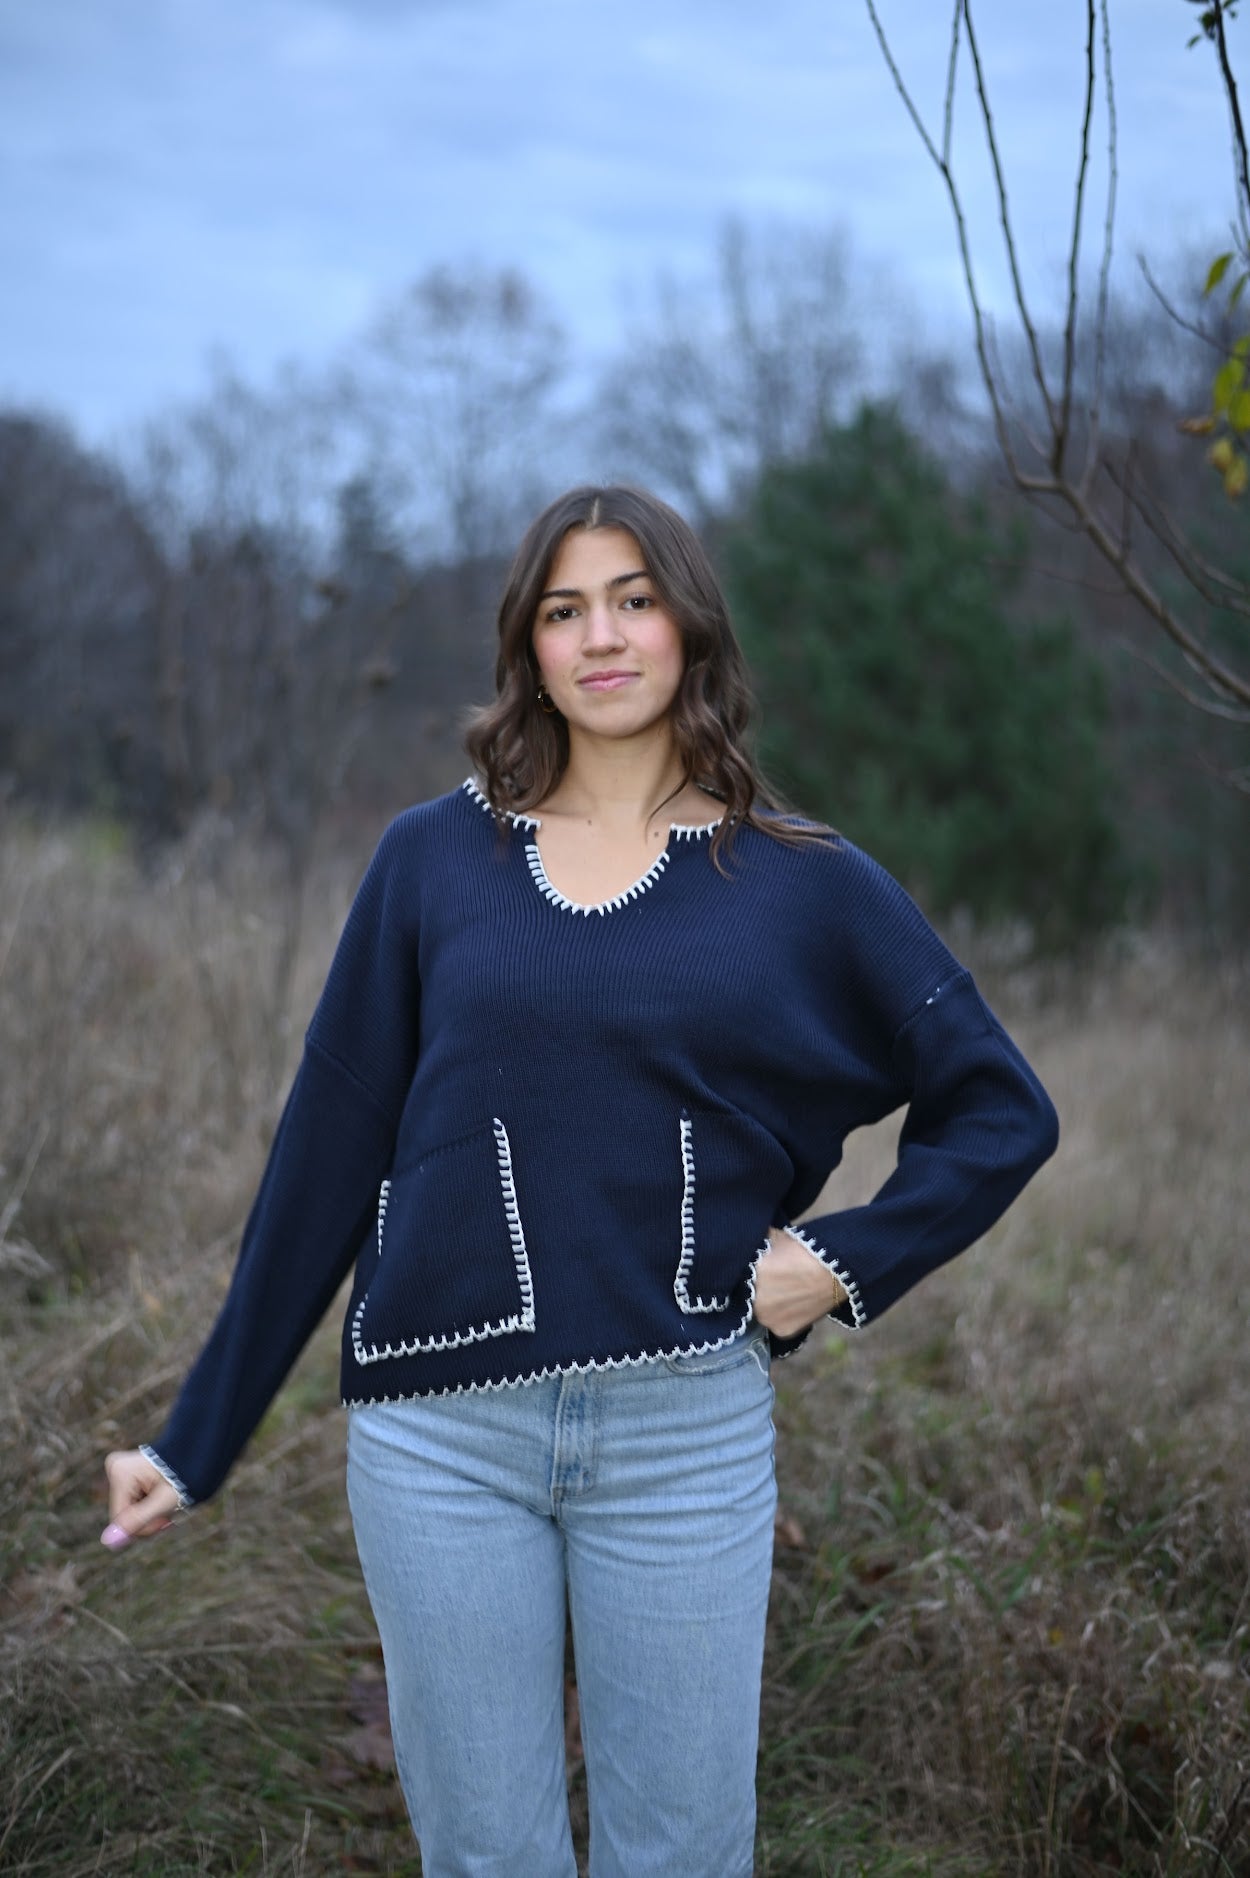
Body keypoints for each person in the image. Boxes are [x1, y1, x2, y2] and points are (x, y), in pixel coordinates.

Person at [101, 484, 1059, 1877]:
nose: (600, 637)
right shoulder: (431, 859)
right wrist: (194, 1439)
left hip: (685, 1437)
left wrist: (844, 1261)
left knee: (681, 1854)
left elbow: (1001, 1109)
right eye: (564, 611)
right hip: (439, 1440)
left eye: (632, 600)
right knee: (488, 1856)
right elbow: (326, 1151)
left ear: (689, 626)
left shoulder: (803, 881)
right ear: (528, 647)